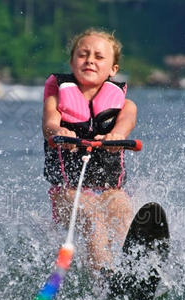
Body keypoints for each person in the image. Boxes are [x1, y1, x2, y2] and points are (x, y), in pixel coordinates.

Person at [41, 29, 137, 271]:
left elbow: (127, 120)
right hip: (67, 193)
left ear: (113, 69)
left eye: (98, 56)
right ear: (72, 62)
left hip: (109, 189)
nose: (90, 60)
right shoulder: (56, 98)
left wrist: (118, 135)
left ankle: (133, 271)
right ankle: (103, 277)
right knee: (93, 217)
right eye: (83, 55)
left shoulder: (124, 104)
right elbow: (50, 123)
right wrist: (58, 132)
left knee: (123, 213)